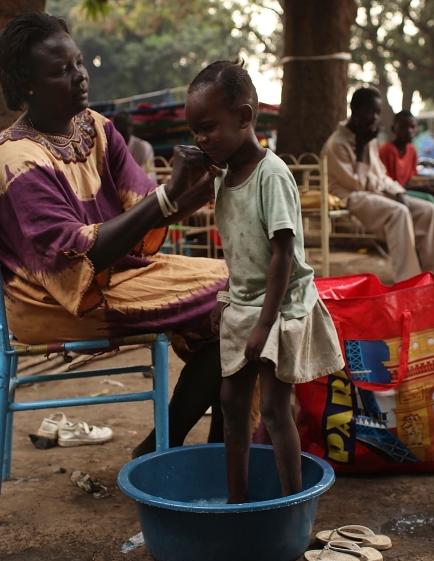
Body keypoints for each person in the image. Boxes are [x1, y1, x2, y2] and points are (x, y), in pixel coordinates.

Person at [0, 12, 227, 458]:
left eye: (78, 62)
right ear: (27, 86)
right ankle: (166, 449)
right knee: (237, 301)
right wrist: (171, 193)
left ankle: (215, 453)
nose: (79, 76)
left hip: (114, 273)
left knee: (246, 293)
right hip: (54, 300)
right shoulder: (17, 158)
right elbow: (77, 256)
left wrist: (206, 185)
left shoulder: (96, 127)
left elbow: (145, 210)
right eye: (61, 70)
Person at [185, 60, 344, 503]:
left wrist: (265, 324)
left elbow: (282, 255)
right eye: (195, 131)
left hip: (280, 305)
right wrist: (226, 298)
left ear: (244, 117)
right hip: (244, 304)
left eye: (208, 128)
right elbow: (239, 251)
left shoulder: (270, 175)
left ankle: (292, 506)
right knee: (232, 403)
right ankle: (238, 501)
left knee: (274, 409)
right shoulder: (222, 178)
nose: (201, 140)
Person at [322, 88, 434, 302]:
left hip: (373, 192)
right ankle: (410, 288)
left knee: (427, 209)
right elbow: (356, 184)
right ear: (354, 110)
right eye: (369, 111)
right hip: (350, 196)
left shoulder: (367, 138)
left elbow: (381, 175)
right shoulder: (337, 143)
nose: (374, 117)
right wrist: (359, 150)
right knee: (399, 213)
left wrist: (399, 192)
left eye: (377, 112)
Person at [378, 111, 434, 238]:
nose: (409, 131)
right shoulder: (387, 150)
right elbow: (392, 184)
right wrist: (427, 190)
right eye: (403, 127)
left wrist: (432, 186)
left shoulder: (411, 150)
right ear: (393, 129)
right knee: (429, 200)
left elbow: (410, 179)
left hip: (405, 189)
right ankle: (431, 239)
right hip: (392, 192)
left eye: (412, 127)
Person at [112, 110, 157, 182]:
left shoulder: (144, 147)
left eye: (129, 125)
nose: (126, 129)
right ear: (115, 127)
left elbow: (144, 177)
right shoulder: (110, 148)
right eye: (123, 126)